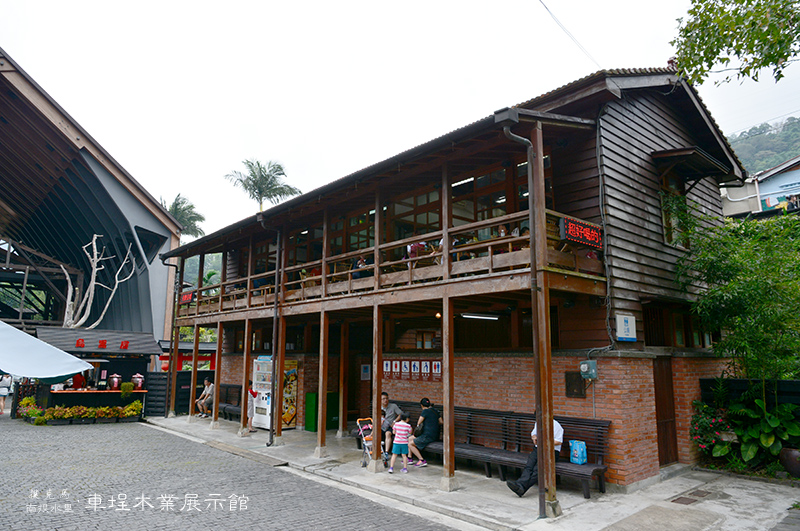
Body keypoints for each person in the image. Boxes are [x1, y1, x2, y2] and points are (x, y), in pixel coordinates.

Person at [506, 419, 564, 497]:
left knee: (538, 469)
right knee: (529, 466)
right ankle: (520, 485)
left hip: (551, 451)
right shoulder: (538, 422)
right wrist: (534, 438)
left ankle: (521, 486)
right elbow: (534, 433)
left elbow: (558, 441)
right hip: (538, 448)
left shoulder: (556, 425)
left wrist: (544, 441)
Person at [409, 397, 442, 467]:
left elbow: (419, 422)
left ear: (421, 405)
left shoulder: (425, 411)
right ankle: (409, 458)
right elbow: (441, 422)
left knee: (410, 444)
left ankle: (422, 460)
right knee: (410, 438)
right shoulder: (435, 411)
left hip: (427, 436)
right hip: (434, 435)